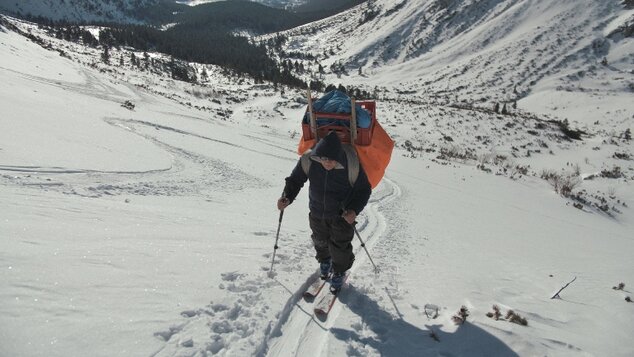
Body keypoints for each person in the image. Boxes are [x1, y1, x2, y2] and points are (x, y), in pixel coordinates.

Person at [277, 131, 372, 293]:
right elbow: (295, 180)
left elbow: (364, 190)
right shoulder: (309, 160)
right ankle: (325, 261)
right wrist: (287, 197)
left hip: (341, 216)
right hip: (316, 211)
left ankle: (340, 271)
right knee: (319, 241)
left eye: (332, 160)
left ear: (339, 157)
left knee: (340, 246)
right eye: (323, 159)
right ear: (318, 155)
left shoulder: (351, 164)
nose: (327, 163)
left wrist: (354, 210)